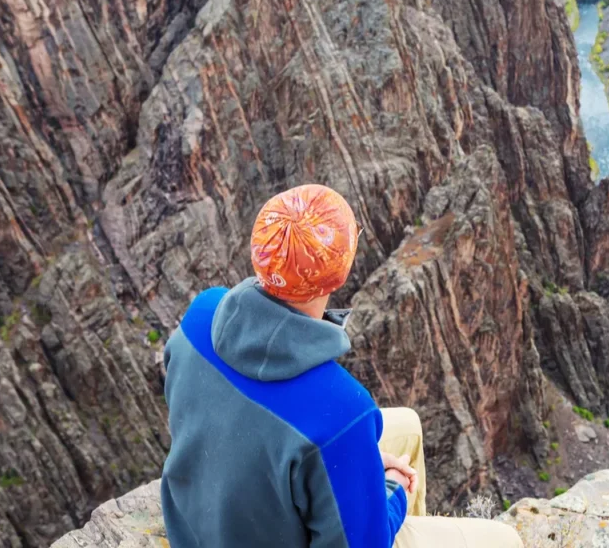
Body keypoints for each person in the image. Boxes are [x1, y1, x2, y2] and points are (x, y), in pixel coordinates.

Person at [160, 184, 523, 548]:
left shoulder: (200, 316)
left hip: (200, 529)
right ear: (339, 271)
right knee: (506, 540)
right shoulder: (341, 410)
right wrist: (390, 489)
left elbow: (229, 421)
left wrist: (353, 462)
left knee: (408, 426)